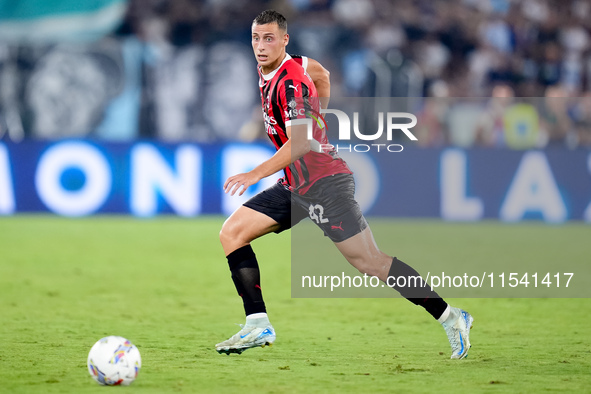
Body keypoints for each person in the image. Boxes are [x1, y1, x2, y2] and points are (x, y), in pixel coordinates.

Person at [216, 10, 474, 359]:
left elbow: (302, 143)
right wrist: (319, 114)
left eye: (269, 39)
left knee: (371, 263)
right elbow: (322, 75)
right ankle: (257, 323)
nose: (261, 46)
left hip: (326, 184)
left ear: (284, 40)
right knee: (232, 233)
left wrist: (254, 173)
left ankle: (451, 316)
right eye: (256, 38)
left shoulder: (292, 82)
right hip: (296, 186)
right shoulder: (293, 66)